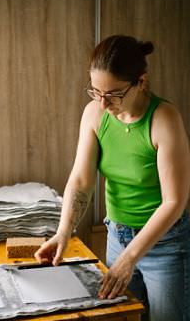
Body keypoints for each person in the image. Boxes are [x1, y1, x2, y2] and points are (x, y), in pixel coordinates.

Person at [35, 35, 190, 321]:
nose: (103, 103)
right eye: (95, 92)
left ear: (141, 82)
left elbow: (174, 201)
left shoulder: (165, 119)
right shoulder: (94, 114)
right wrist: (63, 232)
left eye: (114, 94)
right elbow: (81, 181)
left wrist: (129, 258)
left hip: (165, 245)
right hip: (117, 236)